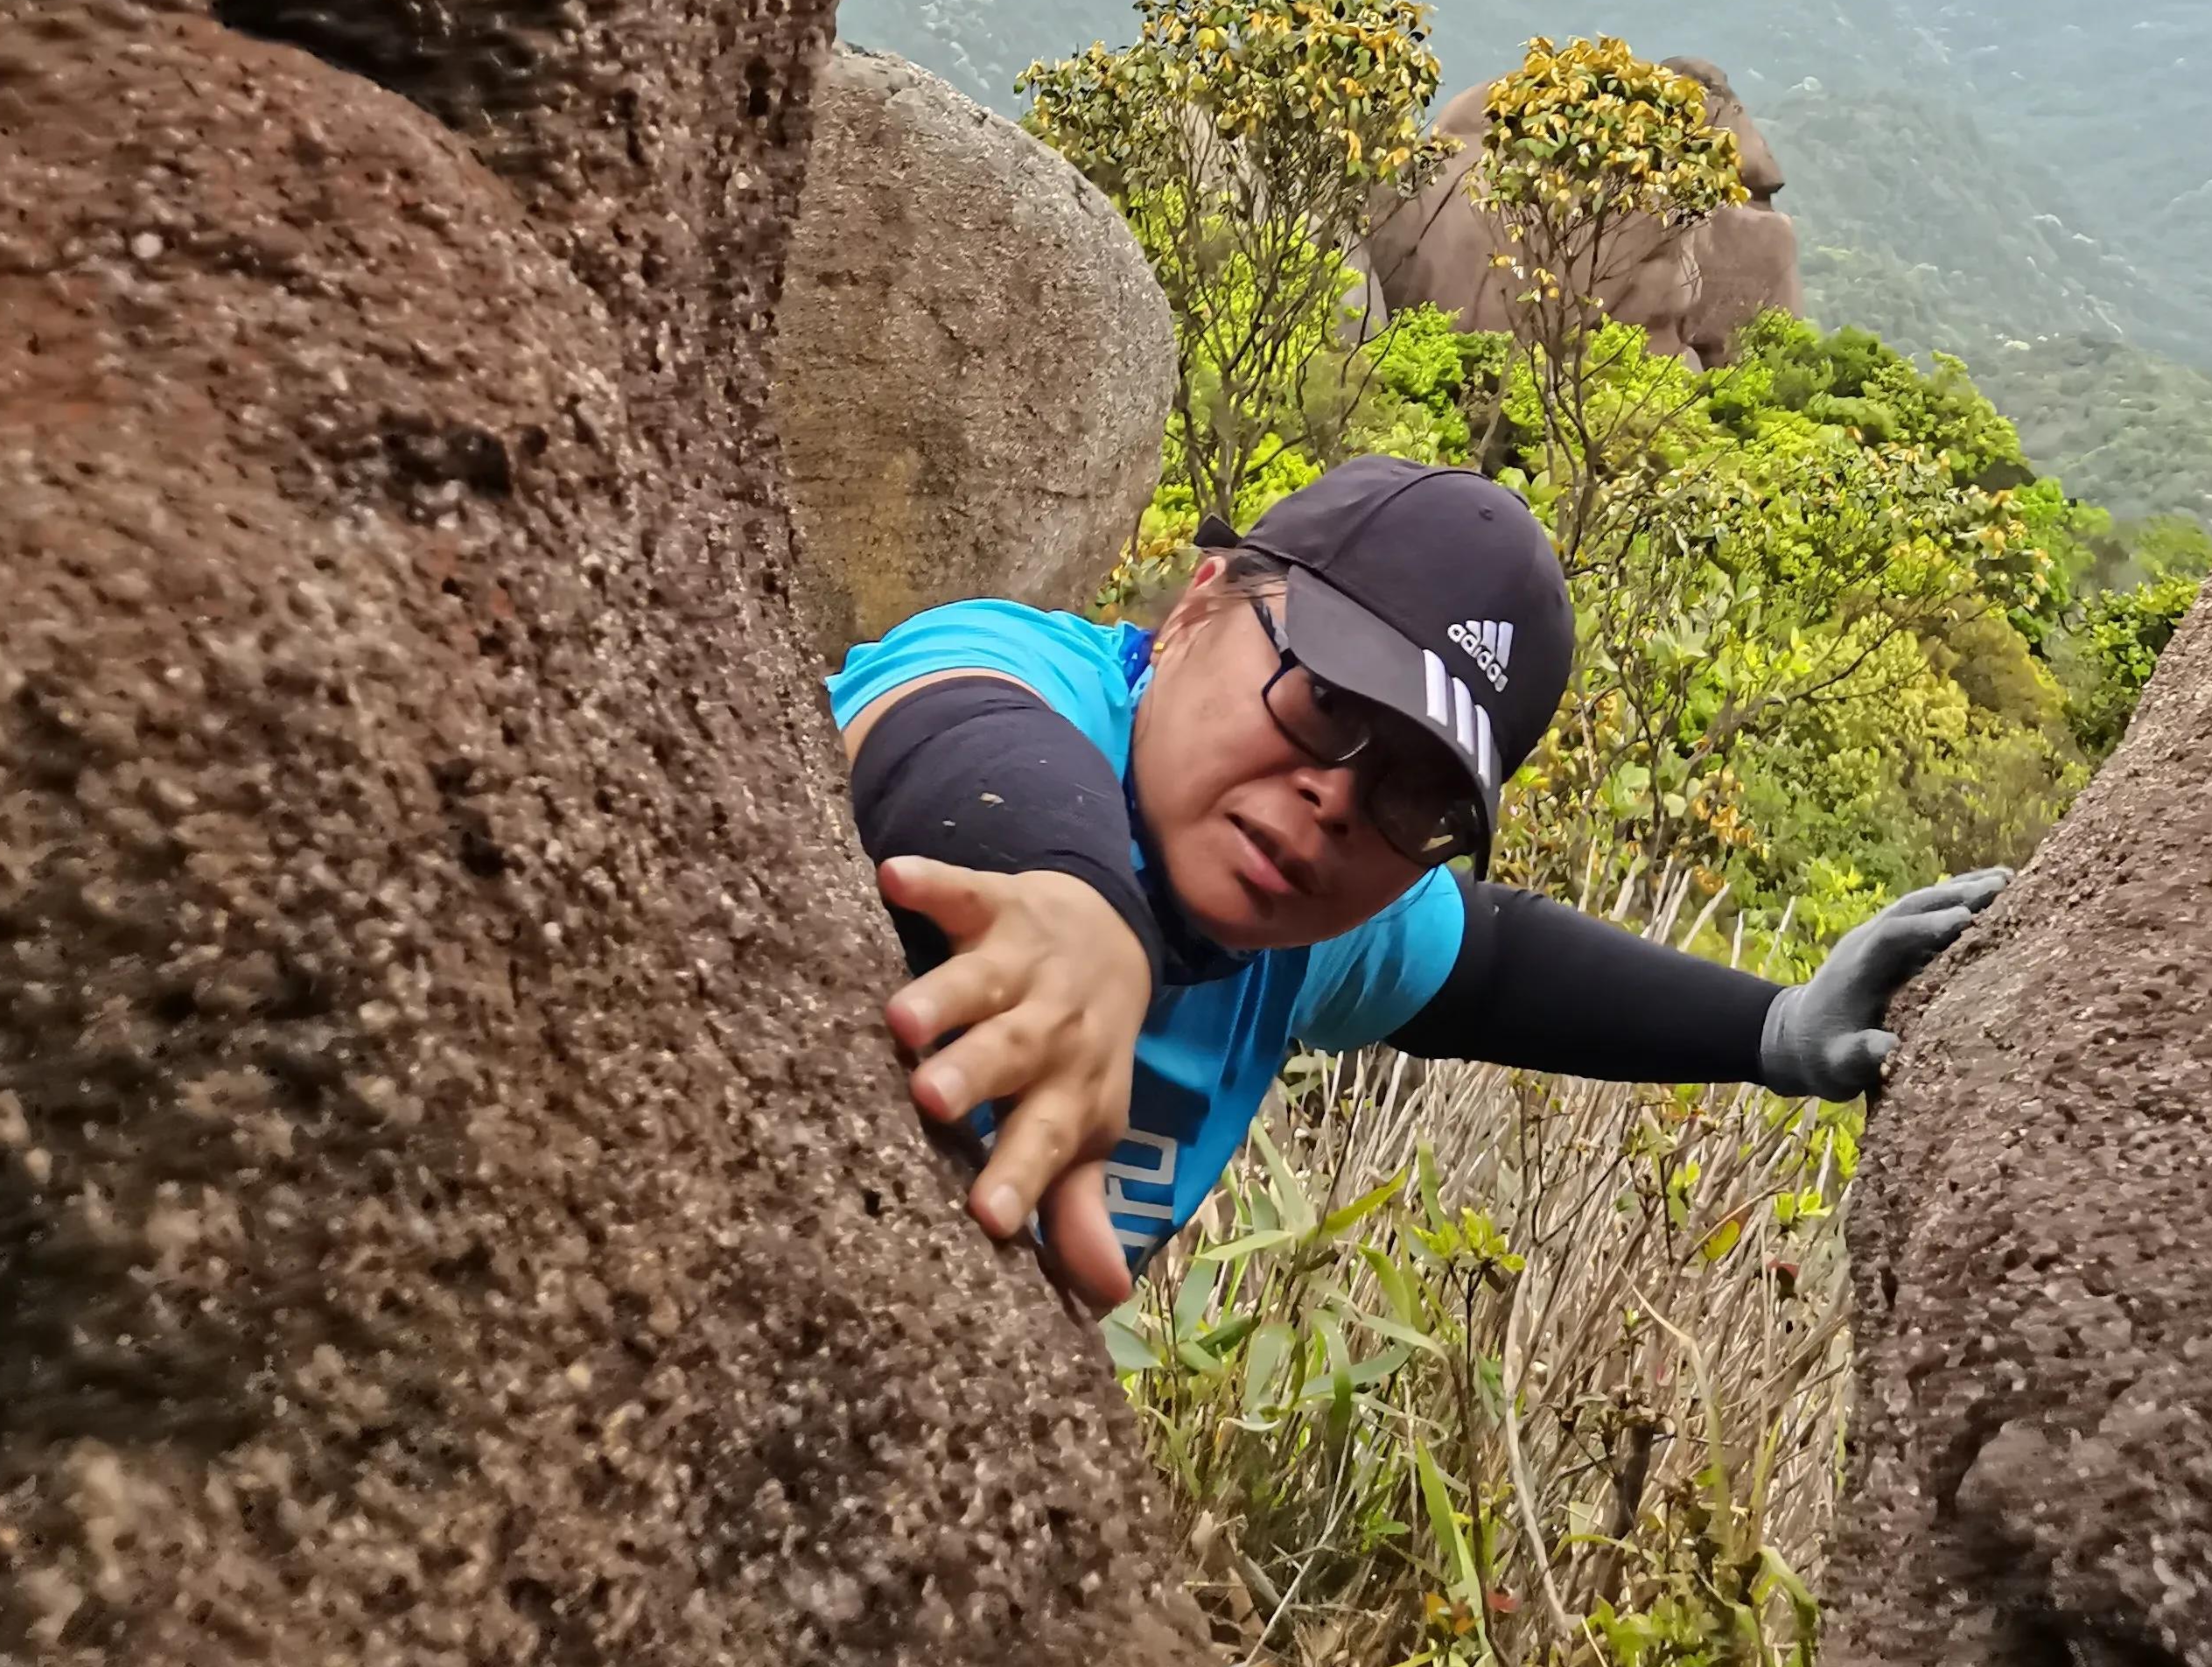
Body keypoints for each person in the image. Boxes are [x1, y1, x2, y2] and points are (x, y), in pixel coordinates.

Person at [832, 455, 2006, 1312]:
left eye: (1417, 796)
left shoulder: (1306, 926)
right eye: (1325, 701)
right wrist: (1077, 909)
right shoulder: (1046, 686)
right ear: (1198, 607)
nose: (1339, 801)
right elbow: (948, 718)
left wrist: (1776, 1027)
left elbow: (1490, 963)